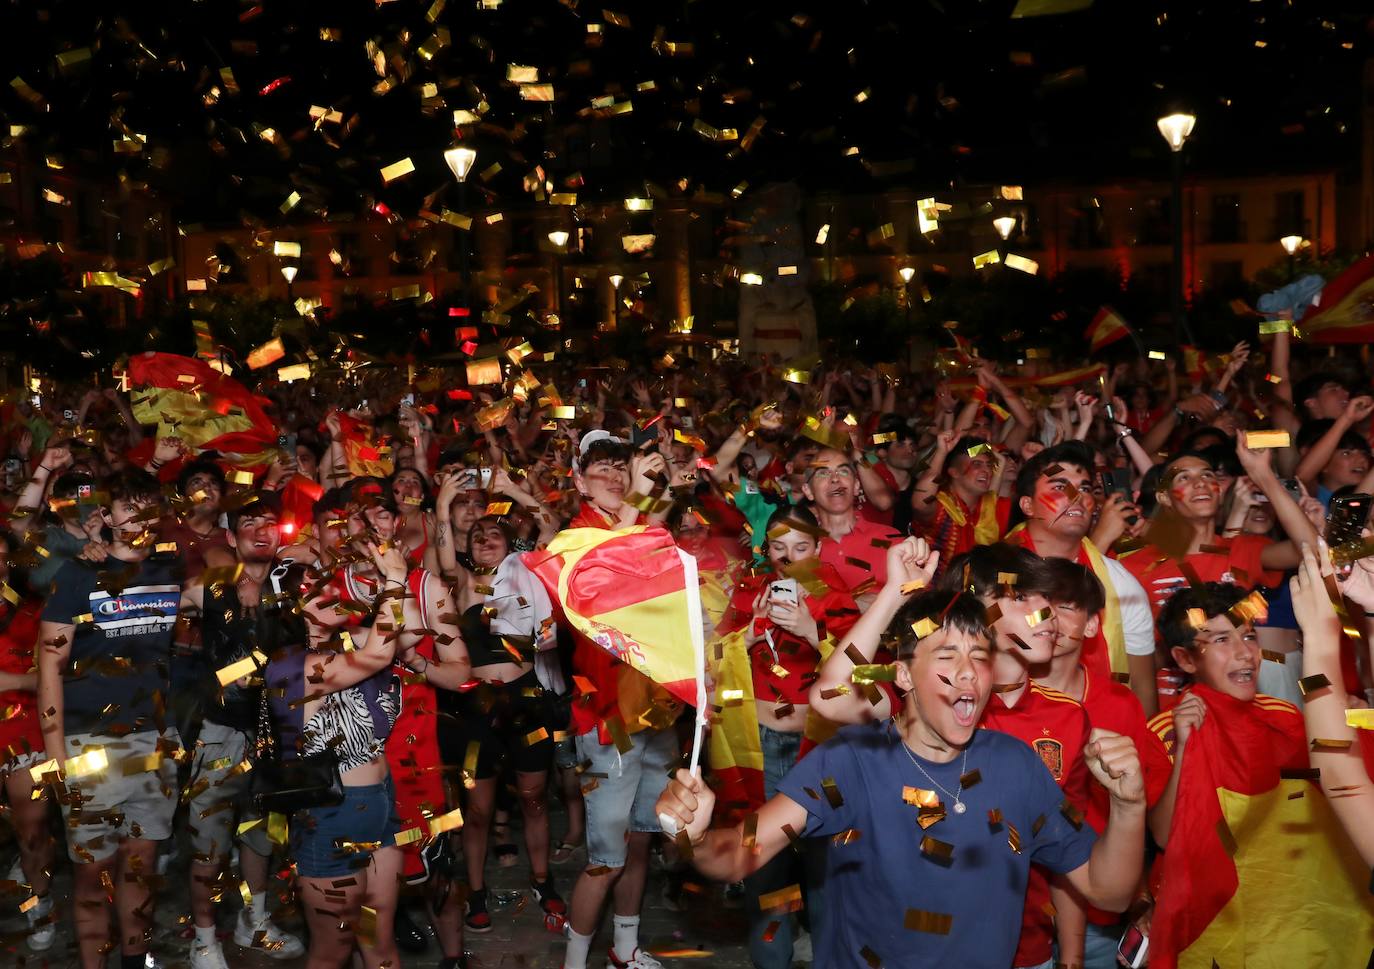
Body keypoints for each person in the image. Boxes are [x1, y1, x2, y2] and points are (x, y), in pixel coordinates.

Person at [658, 587, 1148, 969]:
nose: (967, 674)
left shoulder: (1017, 764)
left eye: (979, 657)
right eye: (946, 656)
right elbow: (742, 856)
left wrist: (1128, 808)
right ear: (905, 676)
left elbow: (1109, 891)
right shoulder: (849, 762)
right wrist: (694, 836)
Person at [37, 469, 183, 969]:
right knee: (91, 874)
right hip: (88, 744)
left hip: (155, 742)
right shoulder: (78, 576)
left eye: (147, 507)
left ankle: (133, 961)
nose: (137, 518)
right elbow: (50, 664)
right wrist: (56, 757)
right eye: (127, 507)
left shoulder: (172, 568)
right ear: (109, 514)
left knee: (141, 868)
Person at [710, 505, 860, 968]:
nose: (789, 558)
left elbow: (866, 670)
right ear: (766, 549)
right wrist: (748, 637)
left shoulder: (837, 595)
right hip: (761, 743)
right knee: (767, 867)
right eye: (779, 547)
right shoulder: (749, 591)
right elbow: (712, 655)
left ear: (818, 546)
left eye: (801, 547)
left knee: (824, 866)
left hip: (820, 747)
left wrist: (815, 635)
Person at [560, 429, 678, 969]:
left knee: (640, 841)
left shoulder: (648, 526)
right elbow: (608, 583)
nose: (611, 475)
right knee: (604, 858)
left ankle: (625, 948)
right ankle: (573, 961)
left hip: (657, 709)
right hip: (607, 720)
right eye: (599, 468)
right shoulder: (573, 538)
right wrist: (642, 503)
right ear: (580, 481)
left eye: (619, 466)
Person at [277, 536, 423, 969]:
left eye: (327, 584)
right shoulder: (295, 666)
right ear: (290, 608)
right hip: (330, 814)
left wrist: (380, 582)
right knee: (333, 951)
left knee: (378, 943)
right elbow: (380, 653)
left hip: (381, 805)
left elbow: (407, 632)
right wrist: (396, 578)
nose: (328, 592)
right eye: (312, 590)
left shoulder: (344, 643)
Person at [176, 492, 304, 969]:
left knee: (261, 837)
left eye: (270, 521)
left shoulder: (295, 583)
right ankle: (204, 940)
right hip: (223, 731)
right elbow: (155, 604)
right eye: (249, 522)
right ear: (231, 537)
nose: (261, 529)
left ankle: (255, 920)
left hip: (278, 733)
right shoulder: (211, 585)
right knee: (210, 844)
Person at [1032, 559, 1173, 969]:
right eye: (1041, 603)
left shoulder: (1119, 703)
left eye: (1067, 605)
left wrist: (1142, 893)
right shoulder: (1003, 702)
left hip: (1102, 909)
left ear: (1093, 626)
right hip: (1021, 909)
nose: (1050, 618)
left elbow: (1138, 809)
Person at [442, 512, 566, 933]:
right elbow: (443, 547)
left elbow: (548, 531)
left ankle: (542, 880)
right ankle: (476, 891)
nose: (485, 538)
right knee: (478, 809)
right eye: (477, 535)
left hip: (528, 699)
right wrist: (444, 506)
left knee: (533, 797)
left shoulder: (528, 574)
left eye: (495, 533)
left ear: (511, 545)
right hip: (479, 707)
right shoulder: (460, 583)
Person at [1009, 442, 1158, 714]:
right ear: (1028, 505)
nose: (1077, 496)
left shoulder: (1121, 586)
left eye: (1085, 488)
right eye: (1059, 486)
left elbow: (1142, 695)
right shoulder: (993, 574)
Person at [0, 532, 57, 951]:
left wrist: (12, 681)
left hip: (23, 731)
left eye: (2, 557)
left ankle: (40, 903)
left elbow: (58, 677)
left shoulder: (34, 611)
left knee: (34, 830)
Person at [804, 446, 902, 602]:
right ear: (808, 491)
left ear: (856, 486)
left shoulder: (892, 540)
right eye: (823, 473)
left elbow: (918, 599)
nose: (835, 479)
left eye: (843, 471)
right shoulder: (801, 549)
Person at [912, 432, 1012, 576]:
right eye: (976, 464)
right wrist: (941, 452)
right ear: (954, 472)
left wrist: (999, 463)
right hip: (934, 595)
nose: (986, 471)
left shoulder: (990, 509)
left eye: (989, 465)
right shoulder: (941, 505)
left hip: (976, 595)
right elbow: (920, 502)